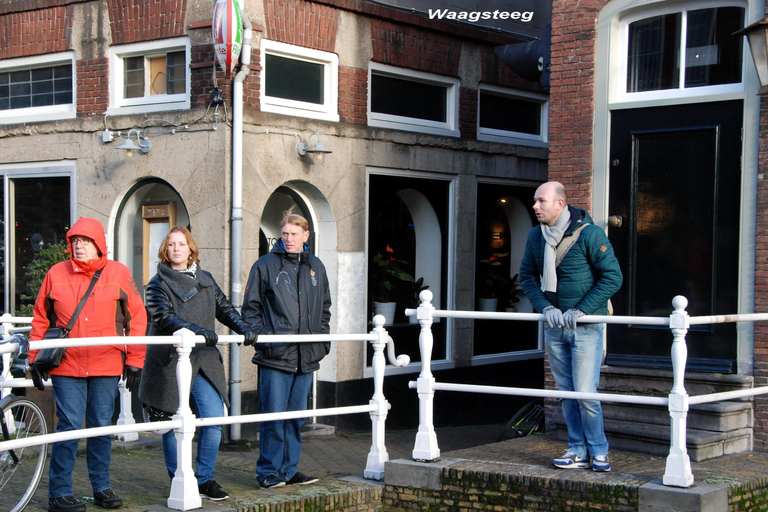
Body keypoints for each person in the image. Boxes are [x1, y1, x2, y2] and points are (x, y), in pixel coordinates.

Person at [27, 218, 147, 512]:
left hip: (106, 364)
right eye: (74, 241)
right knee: (68, 427)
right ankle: (59, 493)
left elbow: (137, 318)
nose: (78, 246)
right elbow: (41, 318)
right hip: (67, 365)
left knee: (100, 427)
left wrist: (135, 359)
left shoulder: (118, 273)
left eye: (85, 241)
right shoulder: (56, 273)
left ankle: (101, 487)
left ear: (98, 244)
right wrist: (34, 359)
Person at [138, 226, 258, 501]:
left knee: (213, 417)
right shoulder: (157, 284)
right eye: (171, 244)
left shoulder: (206, 279)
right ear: (165, 251)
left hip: (204, 358)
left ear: (191, 249)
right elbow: (163, 317)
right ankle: (177, 477)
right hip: (170, 360)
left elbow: (224, 308)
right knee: (171, 422)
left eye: (181, 244)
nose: (176, 249)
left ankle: (205, 479)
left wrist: (242, 327)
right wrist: (195, 330)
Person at [518, 181, 622, 473]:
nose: (535, 206)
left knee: (586, 393)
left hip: (585, 326)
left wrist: (582, 310)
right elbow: (527, 276)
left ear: (560, 204)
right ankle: (577, 449)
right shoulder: (535, 237)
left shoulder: (589, 234)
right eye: (535, 201)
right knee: (566, 392)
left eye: (541, 201)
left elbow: (612, 277)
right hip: (554, 325)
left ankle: (599, 450)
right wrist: (546, 307)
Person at [242, 207, 331, 489]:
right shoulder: (265, 265)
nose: (289, 238)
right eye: (285, 234)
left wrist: (322, 342)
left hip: (306, 357)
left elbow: (325, 309)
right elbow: (251, 309)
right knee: (273, 419)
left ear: (306, 235)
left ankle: (290, 470)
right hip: (276, 357)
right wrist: (266, 341)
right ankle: (268, 472)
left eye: (294, 234)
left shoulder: (316, 266)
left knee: (295, 419)